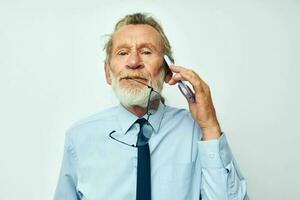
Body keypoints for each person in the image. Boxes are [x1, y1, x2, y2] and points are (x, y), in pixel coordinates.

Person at [54, 13, 249, 200]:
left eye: (146, 52)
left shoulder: (196, 132)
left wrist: (210, 127)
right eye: (122, 53)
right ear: (107, 71)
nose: (133, 62)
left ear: (167, 70)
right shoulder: (79, 138)